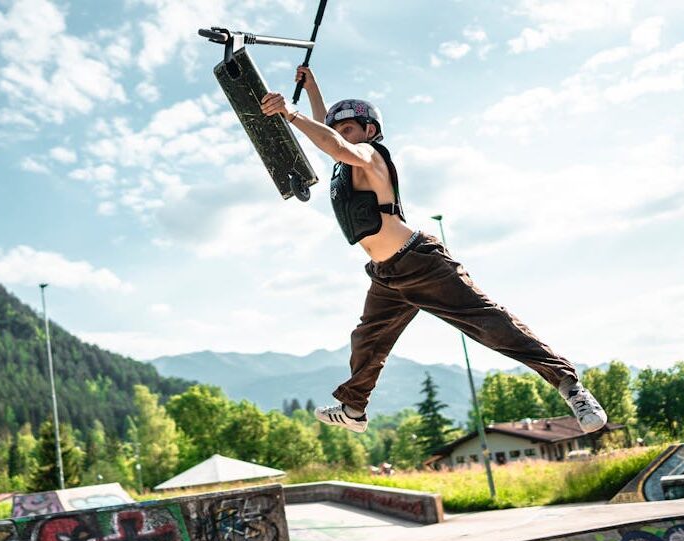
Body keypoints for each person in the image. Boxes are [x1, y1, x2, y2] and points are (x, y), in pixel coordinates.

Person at [259, 66, 608, 435]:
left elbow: (336, 143)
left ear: (370, 131)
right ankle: (354, 410)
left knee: (488, 324)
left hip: (419, 262)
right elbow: (329, 136)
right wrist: (312, 88)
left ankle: (570, 385)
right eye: (338, 128)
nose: (341, 133)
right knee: (368, 339)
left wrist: (290, 113)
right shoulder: (344, 161)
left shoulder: (369, 155)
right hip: (387, 274)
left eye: (349, 127)